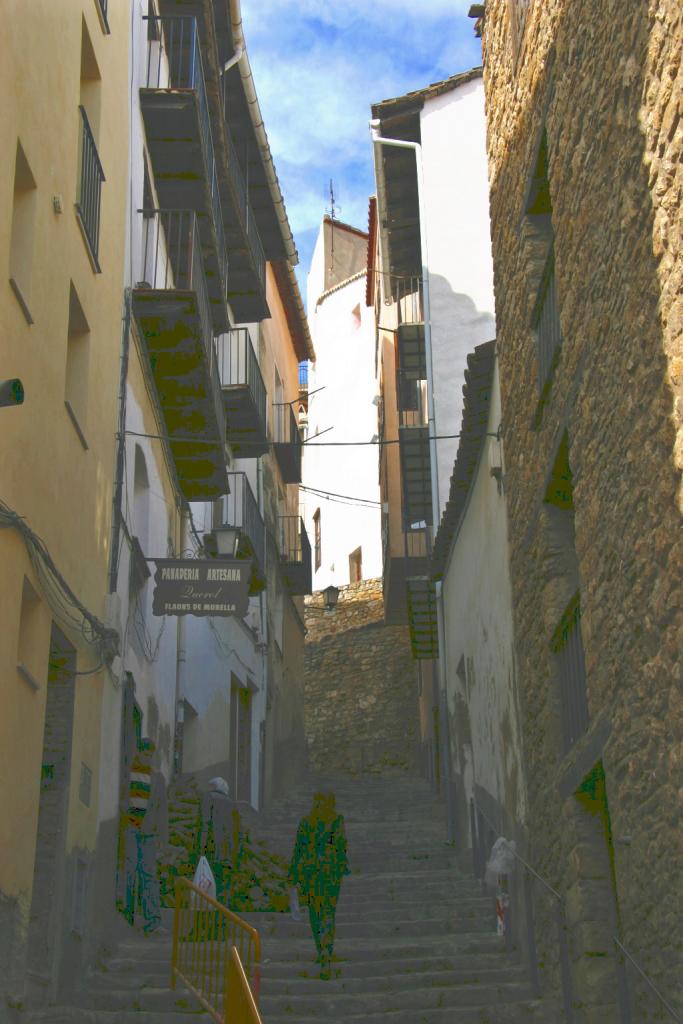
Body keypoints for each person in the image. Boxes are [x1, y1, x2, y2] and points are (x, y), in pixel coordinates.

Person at [288, 791, 350, 979]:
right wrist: (341, 866)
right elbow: (341, 845)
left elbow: (298, 848)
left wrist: (293, 874)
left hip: (310, 872)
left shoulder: (306, 822)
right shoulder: (337, 820)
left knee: (315, 912)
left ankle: (320, 948)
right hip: (331, 873)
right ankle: (326, 951)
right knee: (329, 911)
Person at [123, 737, 168, 935]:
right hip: (130, 829)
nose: (148, 758)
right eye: (145, 754)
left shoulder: (158, 779)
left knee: (149, 875)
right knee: (129, 871)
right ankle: (127, 915)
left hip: (148, 833)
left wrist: (162, 838)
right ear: (138, 752)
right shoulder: (127, 773)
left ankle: (153, 920)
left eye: (151, 755)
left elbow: (162, 811)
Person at [199, 776, 240, 905]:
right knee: (223, 886)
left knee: (208, 884)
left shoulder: (208, 798)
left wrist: (201, 848)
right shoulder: (232, 804)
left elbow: (204, 824)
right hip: (227, 852)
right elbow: (236, 832)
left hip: (211, 849)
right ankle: (222, 915)